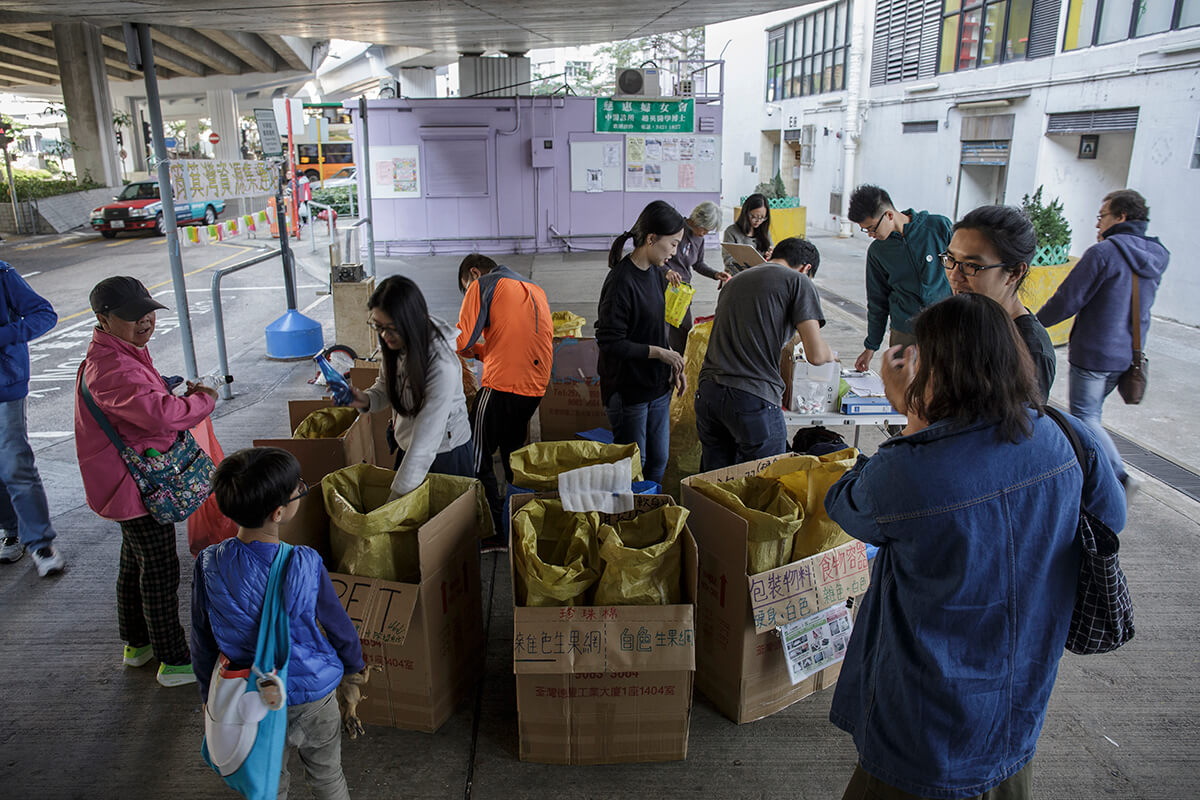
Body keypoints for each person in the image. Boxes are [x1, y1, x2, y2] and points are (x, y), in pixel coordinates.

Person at [825, 293, 1125, 800]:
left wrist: (911, 414)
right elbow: (1110, 518)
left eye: (923, 357)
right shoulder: (1068, 437)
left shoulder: (912, 469)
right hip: (1019, 706)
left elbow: (848, 505)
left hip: (925, 727)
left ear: (944, 371)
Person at [193, 447, 366, 800]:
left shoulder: (209, 564)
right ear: (279, 512)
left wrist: (205, 694)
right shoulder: (305, 562)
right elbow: (339, 626)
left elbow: (202, 636)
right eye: (297, 489)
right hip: (314, 695)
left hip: (249, 698)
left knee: (268, 783)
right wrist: (354, 670)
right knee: (327, 776)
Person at [75, 276, 218, 687]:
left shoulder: (120, 351)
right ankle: (174, 661)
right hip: (134, 486)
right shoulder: (111, 366)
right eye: (132, 316)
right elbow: (159, 415)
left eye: (148, 312)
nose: (145, 322)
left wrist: (168, 388)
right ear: (102, 318)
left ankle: (137, 645)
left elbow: (143, 404)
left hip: (126, 482)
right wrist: (202, 399)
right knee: (159, 570)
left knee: (134, 563)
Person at [1037, 189, 1169, 497]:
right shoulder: (1157, 254)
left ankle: (1119, 476)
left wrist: (1034, 323)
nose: (1098, 225)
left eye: (1102, 217)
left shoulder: (1104, 253)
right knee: (1092, 414)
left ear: (1120, 217)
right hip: (1129, 353)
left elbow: (1067, 299)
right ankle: (1095, 472)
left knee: (1086, 417)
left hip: (1095, 352)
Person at [695, 237, 833, 471]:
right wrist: (832, 354)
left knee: (712, 489)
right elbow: (816, 355)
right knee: (761, 489)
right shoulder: (799, 281)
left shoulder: (735, 281)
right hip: (752, 399)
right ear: (806, 268)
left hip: (709, 395)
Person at [456, 254, 553, 548]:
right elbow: (512, 344)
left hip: (501, 386)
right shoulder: (534, 289)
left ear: (473, 273)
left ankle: (493, 532)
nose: (468, 290)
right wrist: (479, 353)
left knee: (477, 455)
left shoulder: (483, 284)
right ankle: (517, 526)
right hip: (534, 389)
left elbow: (462, 339)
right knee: (512, 454)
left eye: (465, 286)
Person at [347, 276, 473, 500]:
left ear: (410, 320)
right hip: (410, 446)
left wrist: (394, 501)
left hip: (445, 453)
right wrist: (364, 400)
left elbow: (427, 440)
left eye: (391, 328)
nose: (385, 336)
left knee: (442, 528)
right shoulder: (396, 345)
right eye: (379, 327)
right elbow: (386, 387)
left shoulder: (440, 365)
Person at [597, 201, 688, 485]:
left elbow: (656, 331)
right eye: (672, 245)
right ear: (651, 239)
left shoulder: (657, 275)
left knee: (659, 459)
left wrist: (673, 362)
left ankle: (651, 515)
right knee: (635, 466)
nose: (674, 253)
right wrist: (660, 354)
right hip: (629, 390)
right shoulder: (621, 281)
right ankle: (630, 522)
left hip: (657, 386)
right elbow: (610, 342)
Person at [943, 205, 1055, 401]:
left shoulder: (1030, 350)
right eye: (951, 259)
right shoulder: (967, 318)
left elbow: (1017, 429)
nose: (954, 275)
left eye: (971, 265)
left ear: (1014, 272)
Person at [0, 260, 64, 577]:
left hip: (4, 387)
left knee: (14, 465)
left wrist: (4, 335)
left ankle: (39, 541)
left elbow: (44, 314)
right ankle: (11, 530)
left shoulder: (2, 274)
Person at [846, 184, 952, 373]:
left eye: (871, 228)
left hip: (947, 329)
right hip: (905, 333)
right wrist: (871, 346)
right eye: (865, 230)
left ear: (889, 215)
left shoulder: (937, 228)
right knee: (903, 392)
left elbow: (963, 273)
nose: (870, 235)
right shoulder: (878, 252)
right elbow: (877, 302)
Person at [662, 201, 731, 354]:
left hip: (681, 292)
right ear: (697, 220)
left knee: (684, 332)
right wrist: (667, 271)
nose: (704, 234)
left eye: (708, 232)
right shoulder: (676, 229)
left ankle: (681, 368)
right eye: (705, 229)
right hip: (663, 286)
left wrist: (715, 274)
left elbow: (698, 263)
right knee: (661, 331)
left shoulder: (699, 239)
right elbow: (656, 256)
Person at [722, 192, 773, 272]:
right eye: (753, 217)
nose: (758, 221)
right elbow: (728, 261)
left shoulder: (765, 232)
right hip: (738, 277)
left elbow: (771, 254)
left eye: (762, 218)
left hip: (761, 276)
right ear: (745, 213)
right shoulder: (731, 232)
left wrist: (771, 256)